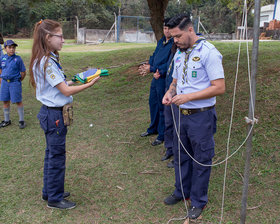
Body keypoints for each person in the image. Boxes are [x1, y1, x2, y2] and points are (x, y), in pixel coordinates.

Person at [29, 19, 100, 210]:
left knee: (51, 154)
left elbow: (61, 85)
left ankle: (49, 191)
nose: (63, 40)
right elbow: (65, 92)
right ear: (47, 37)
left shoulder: (47, 58)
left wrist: (73, 80)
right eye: (60, 36)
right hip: (54, 116)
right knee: (57, 156)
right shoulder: (47, 62)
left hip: (51, 114)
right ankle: (54, 198)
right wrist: (89, 84)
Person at [162, 14, 225, 220]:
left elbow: (219, 87)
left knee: (201, 159)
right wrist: (170, 92)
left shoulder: (209, 53)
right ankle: (182, 192)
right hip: (181, 114)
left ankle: (198, 201)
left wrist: (188, 96)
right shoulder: (180, 52)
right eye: (172, 37)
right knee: (181, 156)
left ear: (190, 30)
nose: (175, 41)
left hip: (201, 117)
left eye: (178, 36)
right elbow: (175, 80)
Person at [139, 18, 173, 146]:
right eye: (165, 28)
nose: (166, 31)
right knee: (152, 103)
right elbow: (154, 55)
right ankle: (152, 128)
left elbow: (170, 63)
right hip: (155, 76)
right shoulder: (161, 41)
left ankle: (162, 134)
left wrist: (155, 69)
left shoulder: (174, 44)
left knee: (161, 105)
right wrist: (149, 66)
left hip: (163, 79)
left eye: (169, 28)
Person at [0, 40, 26, 129]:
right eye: (9, 47)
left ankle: (21, 120)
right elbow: (1, 69)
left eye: (13, 48)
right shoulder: (2, 58)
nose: (12, 49)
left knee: (18, 101)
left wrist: (18, 81)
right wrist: (1, 79)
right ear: (5, 48)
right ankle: (7, 120)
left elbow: (23, 72)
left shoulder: (18, 59)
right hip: (4, 83)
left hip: (14, 82)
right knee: (5, 101)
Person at [161, 43, 177, 168]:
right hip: (169, 89)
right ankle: (169, 149)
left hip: (180, 96)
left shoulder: (187, 51)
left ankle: (178, 155)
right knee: (169, 122)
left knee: (178, 127)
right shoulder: (174, 49)